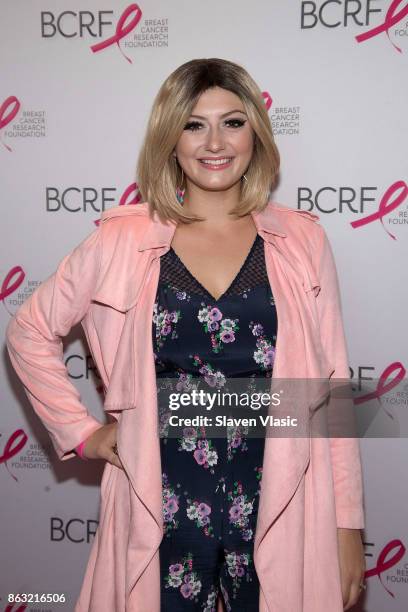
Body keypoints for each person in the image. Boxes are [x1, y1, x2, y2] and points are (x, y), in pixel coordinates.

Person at [6, 58, 366, 611]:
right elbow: (29, 330)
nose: (214, 142)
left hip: (281, 491)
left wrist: (346, 526)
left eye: (233, 121)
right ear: (170, 137)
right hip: (161, 494)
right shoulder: (121, 240)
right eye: (194, 124)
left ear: (256, 135)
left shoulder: (301, 241)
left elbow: (332, 390)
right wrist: (84, 433)